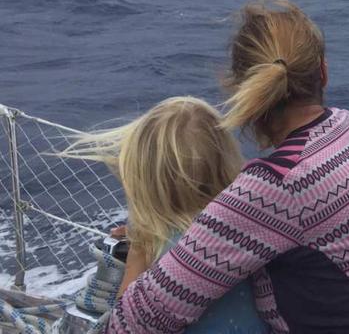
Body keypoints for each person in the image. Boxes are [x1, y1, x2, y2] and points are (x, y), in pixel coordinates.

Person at [104, 0, 349, 334]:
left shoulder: (278, 185)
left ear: (240, 87)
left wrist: (142, 243)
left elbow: (134, 323)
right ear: (323, 72)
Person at [61, 96, 267, 333]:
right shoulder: (251, 226)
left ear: (145, 177)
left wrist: (136, 257)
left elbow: (128, 323)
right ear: (226, 159)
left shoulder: (161, 252)